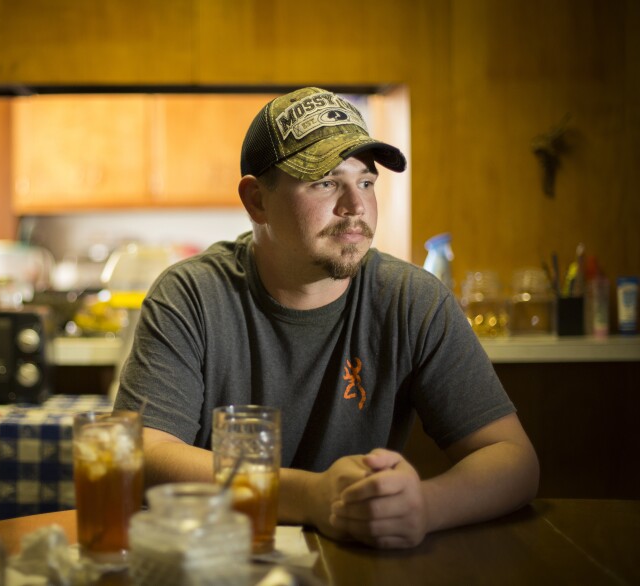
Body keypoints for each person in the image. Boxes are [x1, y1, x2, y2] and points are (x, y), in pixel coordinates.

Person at [113, 87, 539, 549]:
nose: (356, 207)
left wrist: (426, 505)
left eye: (367, 182)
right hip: (215, 561)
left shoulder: (412, 300)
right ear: (256, 200)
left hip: (359, 564)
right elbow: (143, 455)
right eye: (326, 182)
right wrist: (312, 496)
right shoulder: (191, 295)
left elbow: (513, 459)